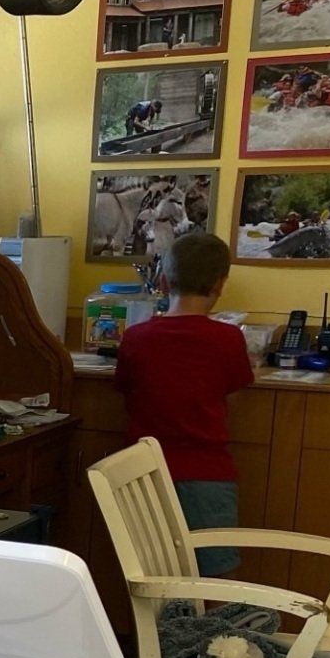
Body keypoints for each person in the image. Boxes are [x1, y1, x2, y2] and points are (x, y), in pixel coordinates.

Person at [113, 232, 255, 576]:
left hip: (144, 476)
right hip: (207, 476)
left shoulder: (135, 338)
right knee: (215, 579)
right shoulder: (228, 339)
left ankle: (159, 633)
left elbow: (126, 391)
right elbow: (231, 397)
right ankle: (212, 633)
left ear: (163, 279)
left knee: (152, 578)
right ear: (221, 284)